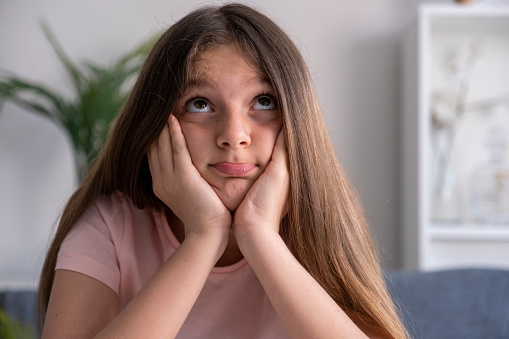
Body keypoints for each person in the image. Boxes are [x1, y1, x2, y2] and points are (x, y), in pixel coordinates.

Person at [39, 3, 408, 338]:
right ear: (156, 124)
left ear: (298, 122)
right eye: (200, 104)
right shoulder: (108, 229)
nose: (234, 135)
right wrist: (204, 237)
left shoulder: (323, 223)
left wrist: (260, 236)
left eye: (263, 101)